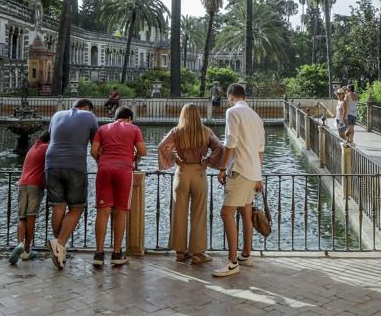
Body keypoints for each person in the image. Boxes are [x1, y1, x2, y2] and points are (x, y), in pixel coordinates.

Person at [158, 104, 224, 265]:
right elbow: (220, 147)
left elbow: (162, 147)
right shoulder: (205, 131)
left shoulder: (176, 131)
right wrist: (207, 161)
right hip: (199, 172)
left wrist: (175, 159)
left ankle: (180, 253)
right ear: (198, 115)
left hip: (181, 173)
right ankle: (197, 253)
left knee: (178, 213)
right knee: (199, 214)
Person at [213, 83, 265, 278]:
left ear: (230, 96)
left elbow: (231, 142)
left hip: (240, 170)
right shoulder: (256, 117)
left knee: (226, 214)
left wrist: (222, 168)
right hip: (252, 172)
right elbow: (261, 150)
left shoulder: (233, 112)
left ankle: (232, 262)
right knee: (245, 211)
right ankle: (245, 255)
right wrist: (258, 177)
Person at [45, 98, 99, 269]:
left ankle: (60, 250)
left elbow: (50, 136)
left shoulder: (56, 115)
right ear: (87, 108)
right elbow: (95, 147)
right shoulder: (90, 117)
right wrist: (101, 163)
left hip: (51, 164)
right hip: (75, 165)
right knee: (76, 207)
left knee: (58, 206)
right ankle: (59, 244)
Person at [91, 106, 146, 268]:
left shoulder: (103, 128)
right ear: (129, 118)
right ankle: (116, 253)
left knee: (103, 211)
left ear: (116, 117)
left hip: (104, 170)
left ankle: (99, 254)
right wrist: (134, 153)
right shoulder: (134, 128)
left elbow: (94, 151)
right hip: (124, 170)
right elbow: (143, 151)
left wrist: (102, 162)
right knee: (121, 211)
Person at [9, 130, 48, 265]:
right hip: (35, 186)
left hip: (22, 184)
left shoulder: (33, 148)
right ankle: (26, 251)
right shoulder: (46, 148)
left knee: (22, 217)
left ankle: (19, 244)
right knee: (31, 216)